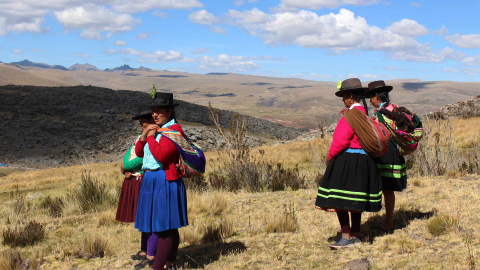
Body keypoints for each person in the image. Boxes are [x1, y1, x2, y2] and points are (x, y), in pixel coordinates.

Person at [315, 78, 383, 249]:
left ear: (351, 96)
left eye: (344, 96)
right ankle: (356, 233)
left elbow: (340, 142)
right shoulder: (365, 116)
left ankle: (346, 236)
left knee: (340, 200)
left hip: (348, 161)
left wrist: (330, 158)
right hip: (365, 161)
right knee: (355, 199)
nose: (343, 101)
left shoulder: (349, 117)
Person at [134, 92, 188, 270]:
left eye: (159, 111)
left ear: (170, 111)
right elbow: (141, 153)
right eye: (153, 111)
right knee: (167, 226)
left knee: (164, 227)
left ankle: (158, 267)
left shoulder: (174, 131)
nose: (155, 115)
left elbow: (162, 155)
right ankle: (170, 261)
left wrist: (151, 136)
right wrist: (146, 135)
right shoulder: (157, 130)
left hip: (165, 181)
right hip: (152, 180)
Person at [366, 80, 412, 232]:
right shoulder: (393, 109)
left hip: (387, 154)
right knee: (388, 190)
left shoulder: (381, 114)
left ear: (377, 96)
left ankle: (389, 221)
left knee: (387, 189)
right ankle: (388, 219)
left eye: (371, 97)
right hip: (395, 152)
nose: (370, 100)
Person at [115, 105, 156, 262]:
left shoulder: (149, 138)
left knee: (147, 216)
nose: (140, 125)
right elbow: (128, 154)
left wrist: (125, 166)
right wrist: (124, 167)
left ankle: (149, 251)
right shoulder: (139, 138)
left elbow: (141, 158)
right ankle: (144, 249)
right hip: (135, 179)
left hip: (142, 180)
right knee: (143, 217)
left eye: (143, 122)